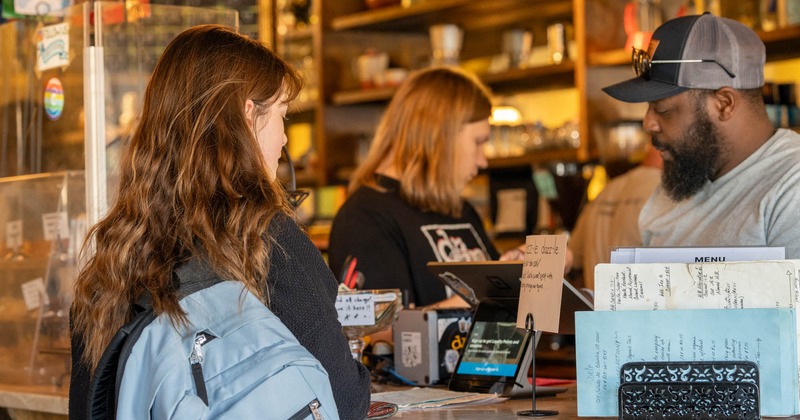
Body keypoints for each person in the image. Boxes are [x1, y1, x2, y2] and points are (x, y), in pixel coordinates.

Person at [69, 25, 370, 419]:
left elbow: (87, 407)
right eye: (281, 113)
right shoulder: (267, 239)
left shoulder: (115, 255)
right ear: (249, 115)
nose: (283, 139)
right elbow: (342, 400)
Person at [602, 13, 800, 259]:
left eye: (662, 109)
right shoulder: (683, 179)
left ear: (723, 104)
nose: (648, 123)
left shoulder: (791, 190)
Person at [328, 67, 500, 308]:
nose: (483, 161)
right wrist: (475, 297)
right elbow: (376, 332)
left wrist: (513, 272)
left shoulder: (459, 210)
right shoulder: (365, 217)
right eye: (478, 142)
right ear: (440, 137)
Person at [568, 146, 663, 289]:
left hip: (595, 308)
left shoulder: (605, 191)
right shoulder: (669, 194)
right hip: (642, 308)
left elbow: (572, 259)